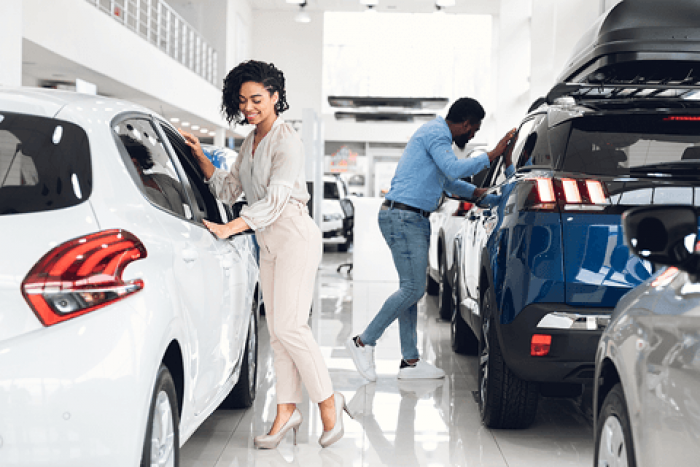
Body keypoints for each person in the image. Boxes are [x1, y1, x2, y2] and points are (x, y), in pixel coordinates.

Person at [178, 60, 349, 449]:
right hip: (268, 241)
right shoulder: (250, 141)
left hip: (293, 235)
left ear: (275, 97)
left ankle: (329, 402)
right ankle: (287, 412)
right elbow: (229, 188)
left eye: (257, 99)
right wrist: (202, 158)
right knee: (277, 334)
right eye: (242, 101)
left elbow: (274, 201)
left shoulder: (287, 140)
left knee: (291, 328)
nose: (249, 107)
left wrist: (230, 227)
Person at [345, 97, 516, 381]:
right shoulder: (436, 133)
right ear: (464, 123)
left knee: (409, 290)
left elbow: (448, 182)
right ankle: (364, 342)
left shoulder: (436, 137)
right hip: (404, 217)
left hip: (410, 217)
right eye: (473, 130)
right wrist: (493, 153)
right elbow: (453, 169)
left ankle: (410, 362)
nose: (472, 135)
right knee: (413, 290)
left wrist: (481, 196)